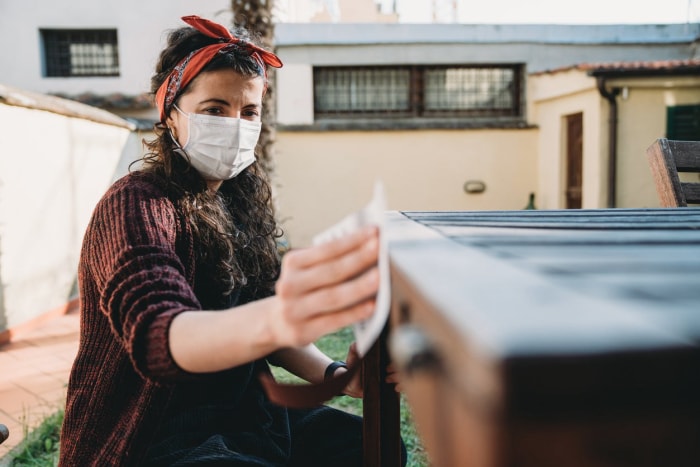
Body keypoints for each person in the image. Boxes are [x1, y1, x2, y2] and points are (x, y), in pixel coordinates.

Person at [59, 15, 404, 466]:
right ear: (171, 113)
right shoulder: (136, 205)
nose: (235, 126)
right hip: (151, 435)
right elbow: (159, 337)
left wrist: (339, 375)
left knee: (373, 447)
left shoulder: (239, 201)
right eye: (214, 110)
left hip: (246, 416)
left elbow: (270, 326)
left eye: (249, 112)